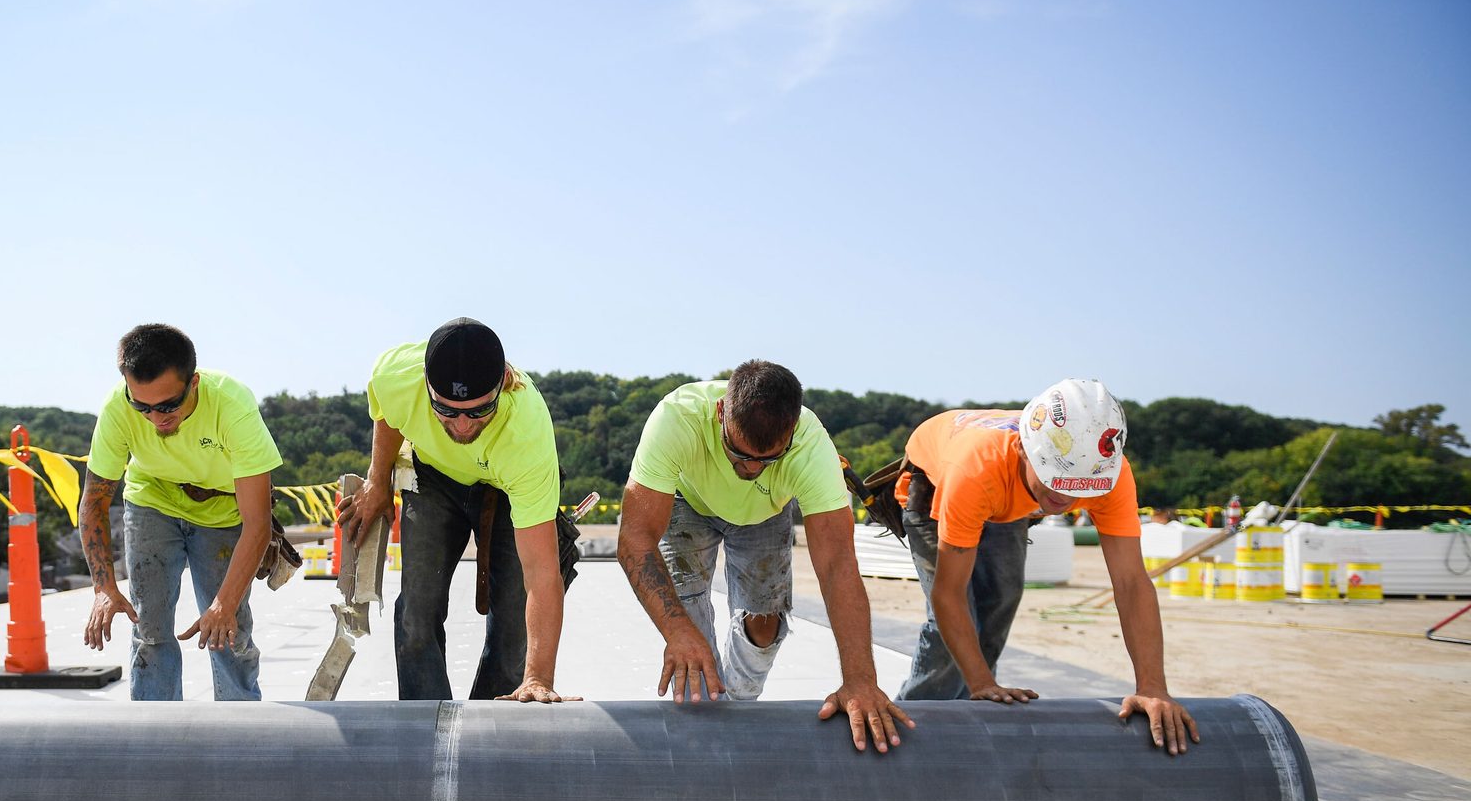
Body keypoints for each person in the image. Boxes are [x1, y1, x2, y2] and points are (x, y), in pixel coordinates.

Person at [617, 361, 913, 755]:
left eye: (768, 459)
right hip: (688, 501)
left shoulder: (811, 446)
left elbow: (837, 564)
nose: (751, 469)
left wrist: (860, 679)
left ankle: (738, 698)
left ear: (791, 432)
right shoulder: (678, 418)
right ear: (721, 412)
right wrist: (678, 633)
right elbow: (635, 539)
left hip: (766, 511)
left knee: (764, 623)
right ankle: (709, 706)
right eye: (738, 454)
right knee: (687, 629)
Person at [894, 378, 1198, 755]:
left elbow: (1132, 582)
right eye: (1057, 482)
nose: (1067, 498)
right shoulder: (975, 470)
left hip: (1010, 498)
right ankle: (915, 725)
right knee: (954, 623)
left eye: (1081, 487)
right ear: (1024, 449)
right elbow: (948, 593)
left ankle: (964, 710)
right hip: (939, 487)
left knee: (1002, 599)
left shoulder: (1106, 473)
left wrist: (1152, 687)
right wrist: (982, 683)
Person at [337, 317, 573, 703]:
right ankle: (424, 720)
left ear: (502, 385)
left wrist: (539, 678)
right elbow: (388, 415)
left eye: (479, 412)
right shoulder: (395, 375)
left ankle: (495, 724)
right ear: (425, 385)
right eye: (446, 410)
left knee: (514, 620)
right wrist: (378, 481)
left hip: (504, 488)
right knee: (417, 609)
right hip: (433, 478)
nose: (462, 426)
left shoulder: (527, 434)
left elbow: (542, 576)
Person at [80, 323, 280, 701]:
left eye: (168, 405)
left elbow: (258, 524)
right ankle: (155, 732)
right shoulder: (116, 408)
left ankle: (238, 726)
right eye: (143, 406)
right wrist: (103, 587)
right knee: (150, 628)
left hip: (221, 510)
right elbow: (93, 502)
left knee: (228, 628)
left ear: (194, 384)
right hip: (152, 500)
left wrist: (222, 604)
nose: (156, 418)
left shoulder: (232, 406)